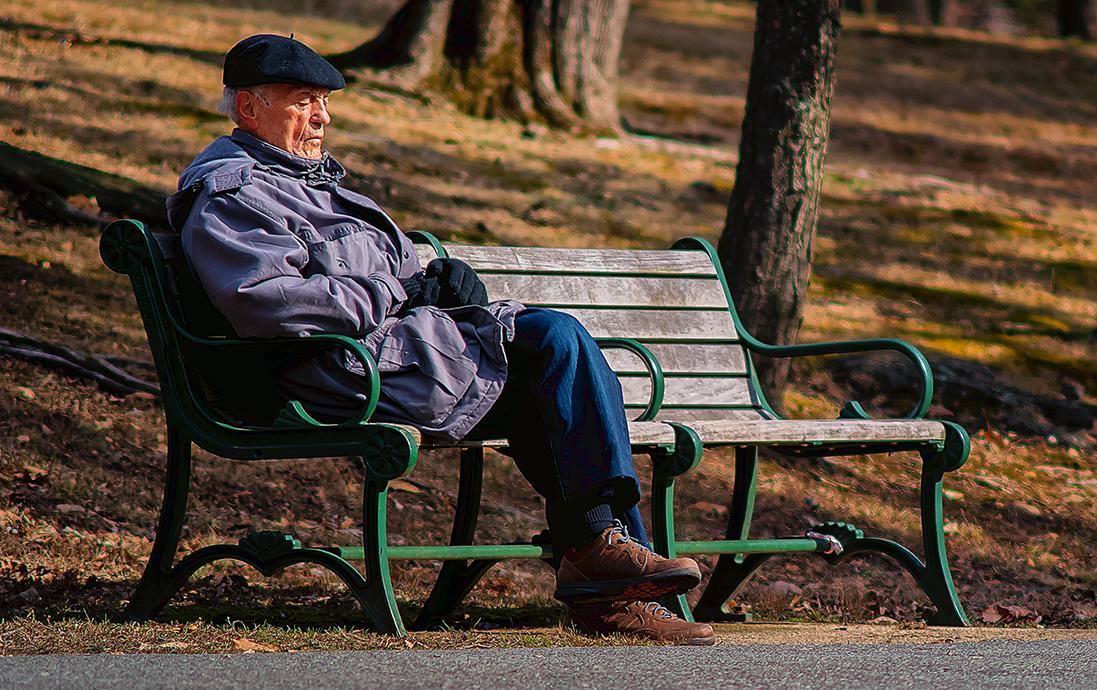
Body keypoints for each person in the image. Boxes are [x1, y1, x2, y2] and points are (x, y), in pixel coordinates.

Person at [167, 34, 714, 645]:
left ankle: (603, 562)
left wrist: (440, 279)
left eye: (324, 101)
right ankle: (604, 564)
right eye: (303, 102)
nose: (323, 116)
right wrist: (398, 294)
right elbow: (267, 303)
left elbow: (390, 270)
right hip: (339, 375)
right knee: (553, 348)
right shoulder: (234, 196)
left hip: (399, 358)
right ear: (249, 107)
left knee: (559, 354)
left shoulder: (315, 183)